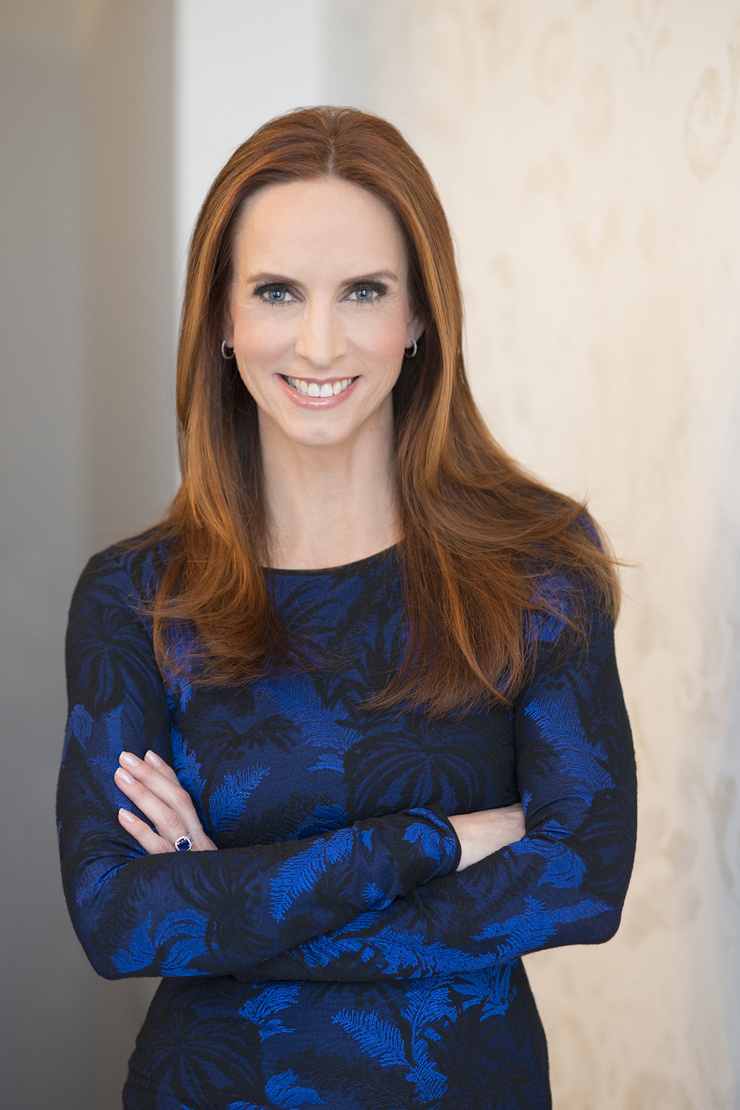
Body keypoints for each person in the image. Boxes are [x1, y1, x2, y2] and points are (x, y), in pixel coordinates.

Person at [57, 106, 637, 1110]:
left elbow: (581, 882)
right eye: (276, 291)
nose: (319, 343)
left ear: (419, 318)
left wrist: (229, 901)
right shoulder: (137, 597)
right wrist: (433, 841)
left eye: (363, 291)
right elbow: (118, 922)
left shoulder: (536, 566)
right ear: (222, 320)